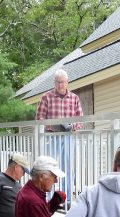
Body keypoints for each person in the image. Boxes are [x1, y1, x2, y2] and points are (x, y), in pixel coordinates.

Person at [35, 69, 83, 198]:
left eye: (63, 82)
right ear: (54, 83)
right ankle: (48, 195)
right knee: (49, 166)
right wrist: (54, 125)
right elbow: (39, 119)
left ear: (67, 82)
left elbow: (80, 119)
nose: (60, 85)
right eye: (58, 82)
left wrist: (72, 126)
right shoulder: (46, 97)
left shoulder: (74, 98)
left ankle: (65, 196)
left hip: (68, 136)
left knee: (67, 166)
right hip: (52, 136)